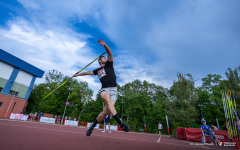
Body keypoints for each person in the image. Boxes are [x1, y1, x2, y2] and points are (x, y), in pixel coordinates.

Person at [73, 39, 130, 136]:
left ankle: (92, 126)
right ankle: (120, 123)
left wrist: (105, 45)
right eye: (103, 58)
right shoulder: (97, 70)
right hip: (104, 90)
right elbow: (87, 73)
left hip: (114, 90)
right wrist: (77, 75)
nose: (105, 58)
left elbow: (109, 52)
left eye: (105, 57)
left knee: (105, 113)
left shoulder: (109, 64)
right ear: (100, 61)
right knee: (105, 97)